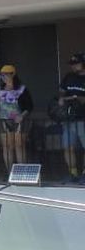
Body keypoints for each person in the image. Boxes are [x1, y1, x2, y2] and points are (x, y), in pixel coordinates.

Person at [0, 65, 33, 170]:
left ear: (12, 74)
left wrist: (22, 116)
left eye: (6, 74)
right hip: (3, 120)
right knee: (7, 147)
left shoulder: (22, 89)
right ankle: (9, 173)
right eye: (2, 75)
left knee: (19, 146)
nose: (4, 77)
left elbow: (29, 106)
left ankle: (22, 172)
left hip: (19, 121)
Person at [56, 54, 85, 183]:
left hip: (82, 118)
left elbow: (81, 99)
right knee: (68, 147)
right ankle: (72, 172)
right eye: (72, 64)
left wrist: (74, 98)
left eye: (76, 63)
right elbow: (61, 91)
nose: (74, 66)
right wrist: (63, 97)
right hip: (68, 118)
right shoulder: (69, 76)